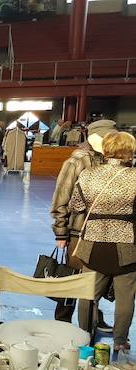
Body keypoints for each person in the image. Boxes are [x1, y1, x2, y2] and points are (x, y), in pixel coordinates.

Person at [70, 131, 136, 354]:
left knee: (88, 294)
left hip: (93, 242)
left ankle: (85, 335)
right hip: (126, 243)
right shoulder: (135, 177)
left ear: (105, 149)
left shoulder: (89, 174)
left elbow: (77, 206)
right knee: (125, 297)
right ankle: (120, 340)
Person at [51, 119, 117, 327]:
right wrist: (61, 232)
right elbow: (62, 196)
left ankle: (93, 317)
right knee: (73, 278)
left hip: (106, 231)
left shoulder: (113, 161)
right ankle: (62, 319)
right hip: (78, 231)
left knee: (99, 279)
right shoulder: (77, 161)